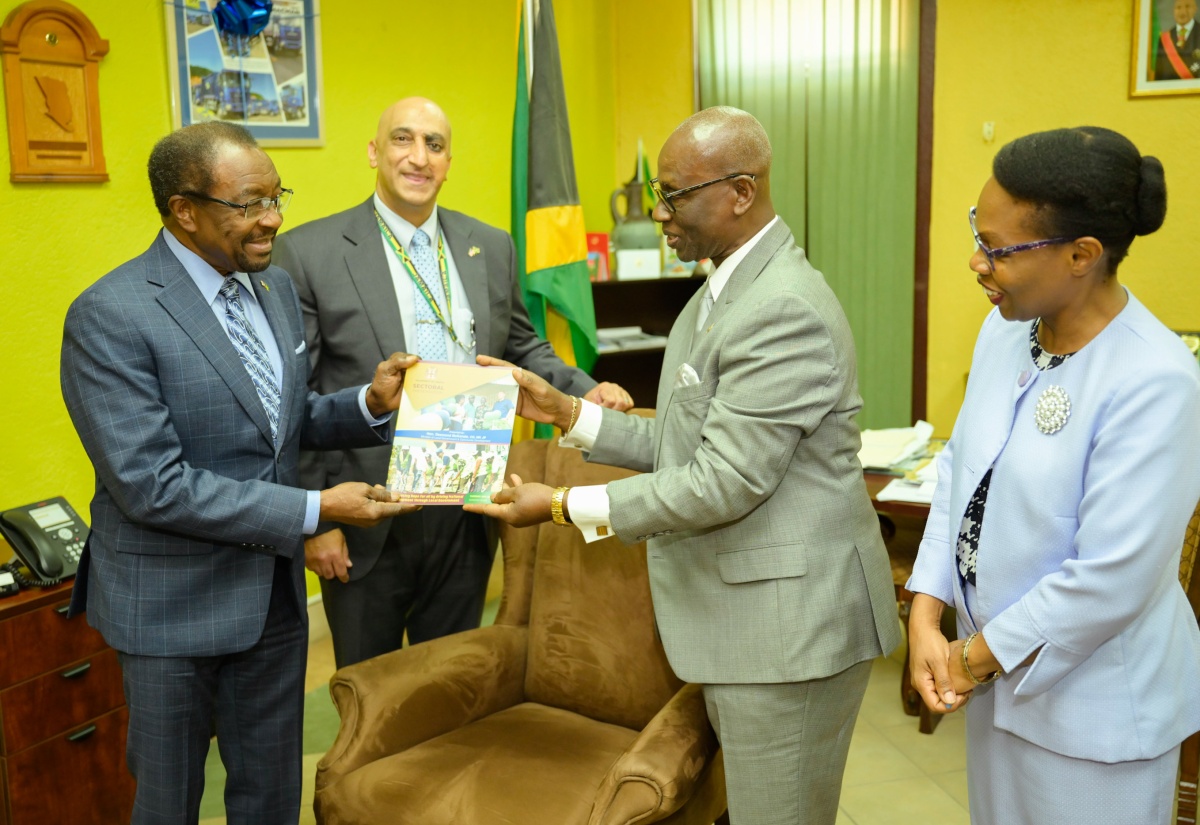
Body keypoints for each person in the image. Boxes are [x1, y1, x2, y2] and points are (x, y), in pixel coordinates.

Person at [467, 106, 900, 825]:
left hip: (790, 633)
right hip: (751, 623)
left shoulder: (781, 307)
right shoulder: (719, 291)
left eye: (673, 194)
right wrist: (568, 413)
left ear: (740, 191)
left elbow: (721, 482)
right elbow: (683, 443)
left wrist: (559, 506)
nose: (659, 213)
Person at [59, 121, 419, 825]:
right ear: (182, 209)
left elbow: (281, 423)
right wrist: (315, 511)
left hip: (271, 606)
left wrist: (368, 403)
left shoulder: (274, 288)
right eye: (249, 203)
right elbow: (151, 483)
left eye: (276, 196)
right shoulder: (111, 315)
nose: (273, 218)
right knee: (169, 805)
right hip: (170, 612)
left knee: (269, 798)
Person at [271, 97, 634, 668]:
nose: (419, 158)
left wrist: (581, 390)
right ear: (373, 152)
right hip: (370, 511)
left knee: (453, 681)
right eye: (402, 139)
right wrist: (317, 520)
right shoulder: (310, 252)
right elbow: (298, 396)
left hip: (469, 504)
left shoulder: (488, 246)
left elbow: (522, 345)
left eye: (434, 145)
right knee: (370, 691)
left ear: (448, 161)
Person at [906, 127, 1200, 824]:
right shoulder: (1006, 330)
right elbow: (959, 474)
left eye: (999, 249)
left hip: (1095, 718)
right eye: (977, 234)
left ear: (1082, 255)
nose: (976, 262)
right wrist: (926, 610)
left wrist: (969, 660)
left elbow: (1111, 575)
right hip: (997, 684)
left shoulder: (1157, 380)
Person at [1155, 0, 1200, 80]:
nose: (1183, 12)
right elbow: (1159, 75)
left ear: (1195, 9)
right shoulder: (1164, 39)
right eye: (1178, 7)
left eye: (1187, 6)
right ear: (1173, 10)